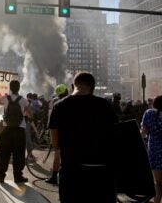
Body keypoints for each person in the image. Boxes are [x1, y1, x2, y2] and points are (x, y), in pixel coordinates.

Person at [49, 72, 117, 203]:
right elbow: (115, 135)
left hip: (71, 171)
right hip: (101, 172)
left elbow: (55, 143)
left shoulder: (59, 106)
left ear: (72, 86)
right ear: (93, 87)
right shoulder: (104, 105)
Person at [0, 80, 30, 184]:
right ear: (19, 88)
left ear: (10, 88)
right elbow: (28, 113)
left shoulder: (5, 98)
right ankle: (18, 177)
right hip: (19, 131)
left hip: (7, 130)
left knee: (3, 154)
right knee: (18, 154)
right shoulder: (24, 100)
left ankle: (1, 176)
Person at [45, 84, 69, 185]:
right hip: (73, 135)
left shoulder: (57, 103)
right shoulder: (74, 101)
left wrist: (52, 140)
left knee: (57, 156)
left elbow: (52, 124)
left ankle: (54, 177)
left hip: (60, 135)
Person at [141, 96, 162, 203]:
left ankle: (157, 200)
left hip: (154, 149)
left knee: (157, 182)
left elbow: (143, 132)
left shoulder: (149, 113)